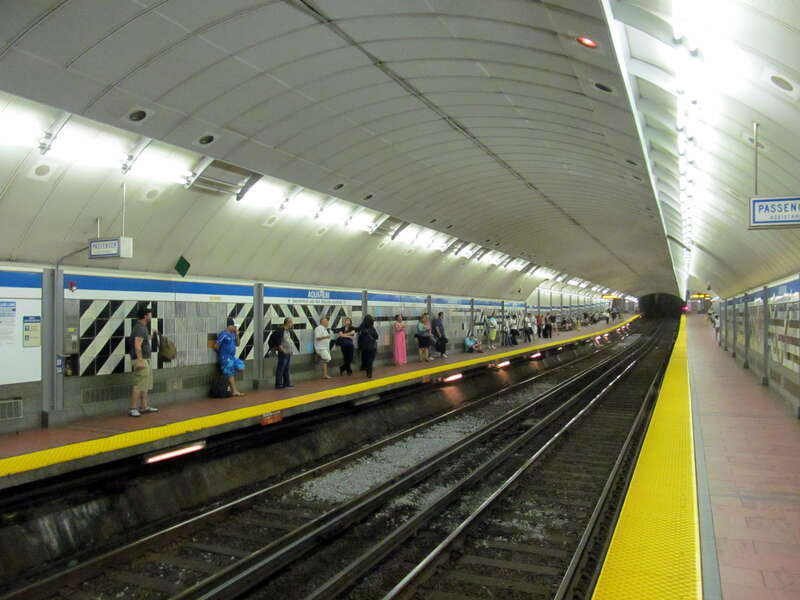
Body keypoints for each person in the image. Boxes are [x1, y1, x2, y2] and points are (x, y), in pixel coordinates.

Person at [129, 307, 159, 417]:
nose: (151, 316)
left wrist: (152, 334)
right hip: (141, 360)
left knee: (144, 384)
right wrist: (140, 360)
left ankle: (144, 406)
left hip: (145, 359)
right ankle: (133, 409)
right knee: (138, 384)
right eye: (150, 314)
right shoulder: (140, 328)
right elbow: (137, 345)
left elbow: (143, 340)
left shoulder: (142, 328)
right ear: (145, 316)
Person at [215, 317, 245, 396]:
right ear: (230, 326)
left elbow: (238, 344)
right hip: (225, 357)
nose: (236, 328)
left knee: (241, 367)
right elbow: (216, 346)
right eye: (234, 326)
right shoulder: (223, 334)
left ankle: (228, 385)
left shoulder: (233, 334)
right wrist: (222, 354)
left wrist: (237, 334)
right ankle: (234, 391)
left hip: (232, 357)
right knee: (230, 373)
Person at [275, 317, 295, 389]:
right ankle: (279, 384)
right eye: (291, 322)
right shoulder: (281, 330)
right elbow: (278, 343)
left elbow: (288, 341)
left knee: (286, 368)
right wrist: (283, 351)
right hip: (283, 353)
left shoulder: (287, 331)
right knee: (281, 368)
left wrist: (291, 350)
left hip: (287, 352)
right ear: (288, 322)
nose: (292, 324)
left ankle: (286, 383)